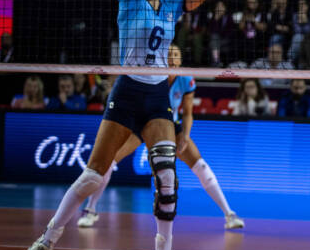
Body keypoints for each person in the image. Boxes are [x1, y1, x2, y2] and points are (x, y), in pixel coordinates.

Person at [19, 0, 243, 250]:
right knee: (93, 175)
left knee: (168, 177)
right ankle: (45, 240)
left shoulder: (173, 7)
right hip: (126, 93)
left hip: (157, 99)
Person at [77, 45, 244, 231]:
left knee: (200, 165)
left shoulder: (186, 79)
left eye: (175, 54)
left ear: (180, 60)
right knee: (108, 162)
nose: (171, 57)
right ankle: (90, 209)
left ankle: (229, 214)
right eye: (168, 54)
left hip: (168, 125)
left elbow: (188, 113)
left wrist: (185, 135)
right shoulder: (150, 74)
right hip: (138, 123)